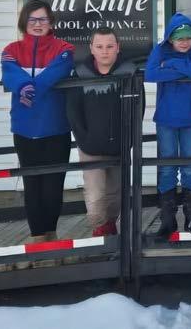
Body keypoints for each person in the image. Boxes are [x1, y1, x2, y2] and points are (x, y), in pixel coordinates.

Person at [1, 0, 74, 242]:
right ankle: (37, 238)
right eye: (32, 19)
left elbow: (56, 73)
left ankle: (51, 235)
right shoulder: (11, 50)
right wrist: (23, 86)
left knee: (53, 186)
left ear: (51, 22)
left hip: (56, 128)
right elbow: (10, 75)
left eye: (43, 19)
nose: (37, 24)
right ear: (24, 22)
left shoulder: (64, 48)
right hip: (24, 129)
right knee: (32, 186)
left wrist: (30, 90)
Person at [67, 27, 143, 237]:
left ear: (118, 47)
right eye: (99, 46)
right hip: (90, 147)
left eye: (109, 46)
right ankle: (99, 231)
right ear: (91, 48)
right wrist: (84, 140)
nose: (104, 51)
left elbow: (138, 110)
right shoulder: (80, 74)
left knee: (116, 194)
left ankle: (110, 230)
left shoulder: (130, 73)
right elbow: (73, 111)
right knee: (95, 194)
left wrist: (128, 139)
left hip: (120, 145)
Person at [145, 14, 191, 237]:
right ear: (170, 38)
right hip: (166, 120)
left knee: (190, 167)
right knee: (167, 168)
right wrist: (185, 68)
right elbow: (151, 74)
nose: (184, 42)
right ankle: (168, 221)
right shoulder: (159, 50)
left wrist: (172, 64)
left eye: (188, 38)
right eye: (179, 38)